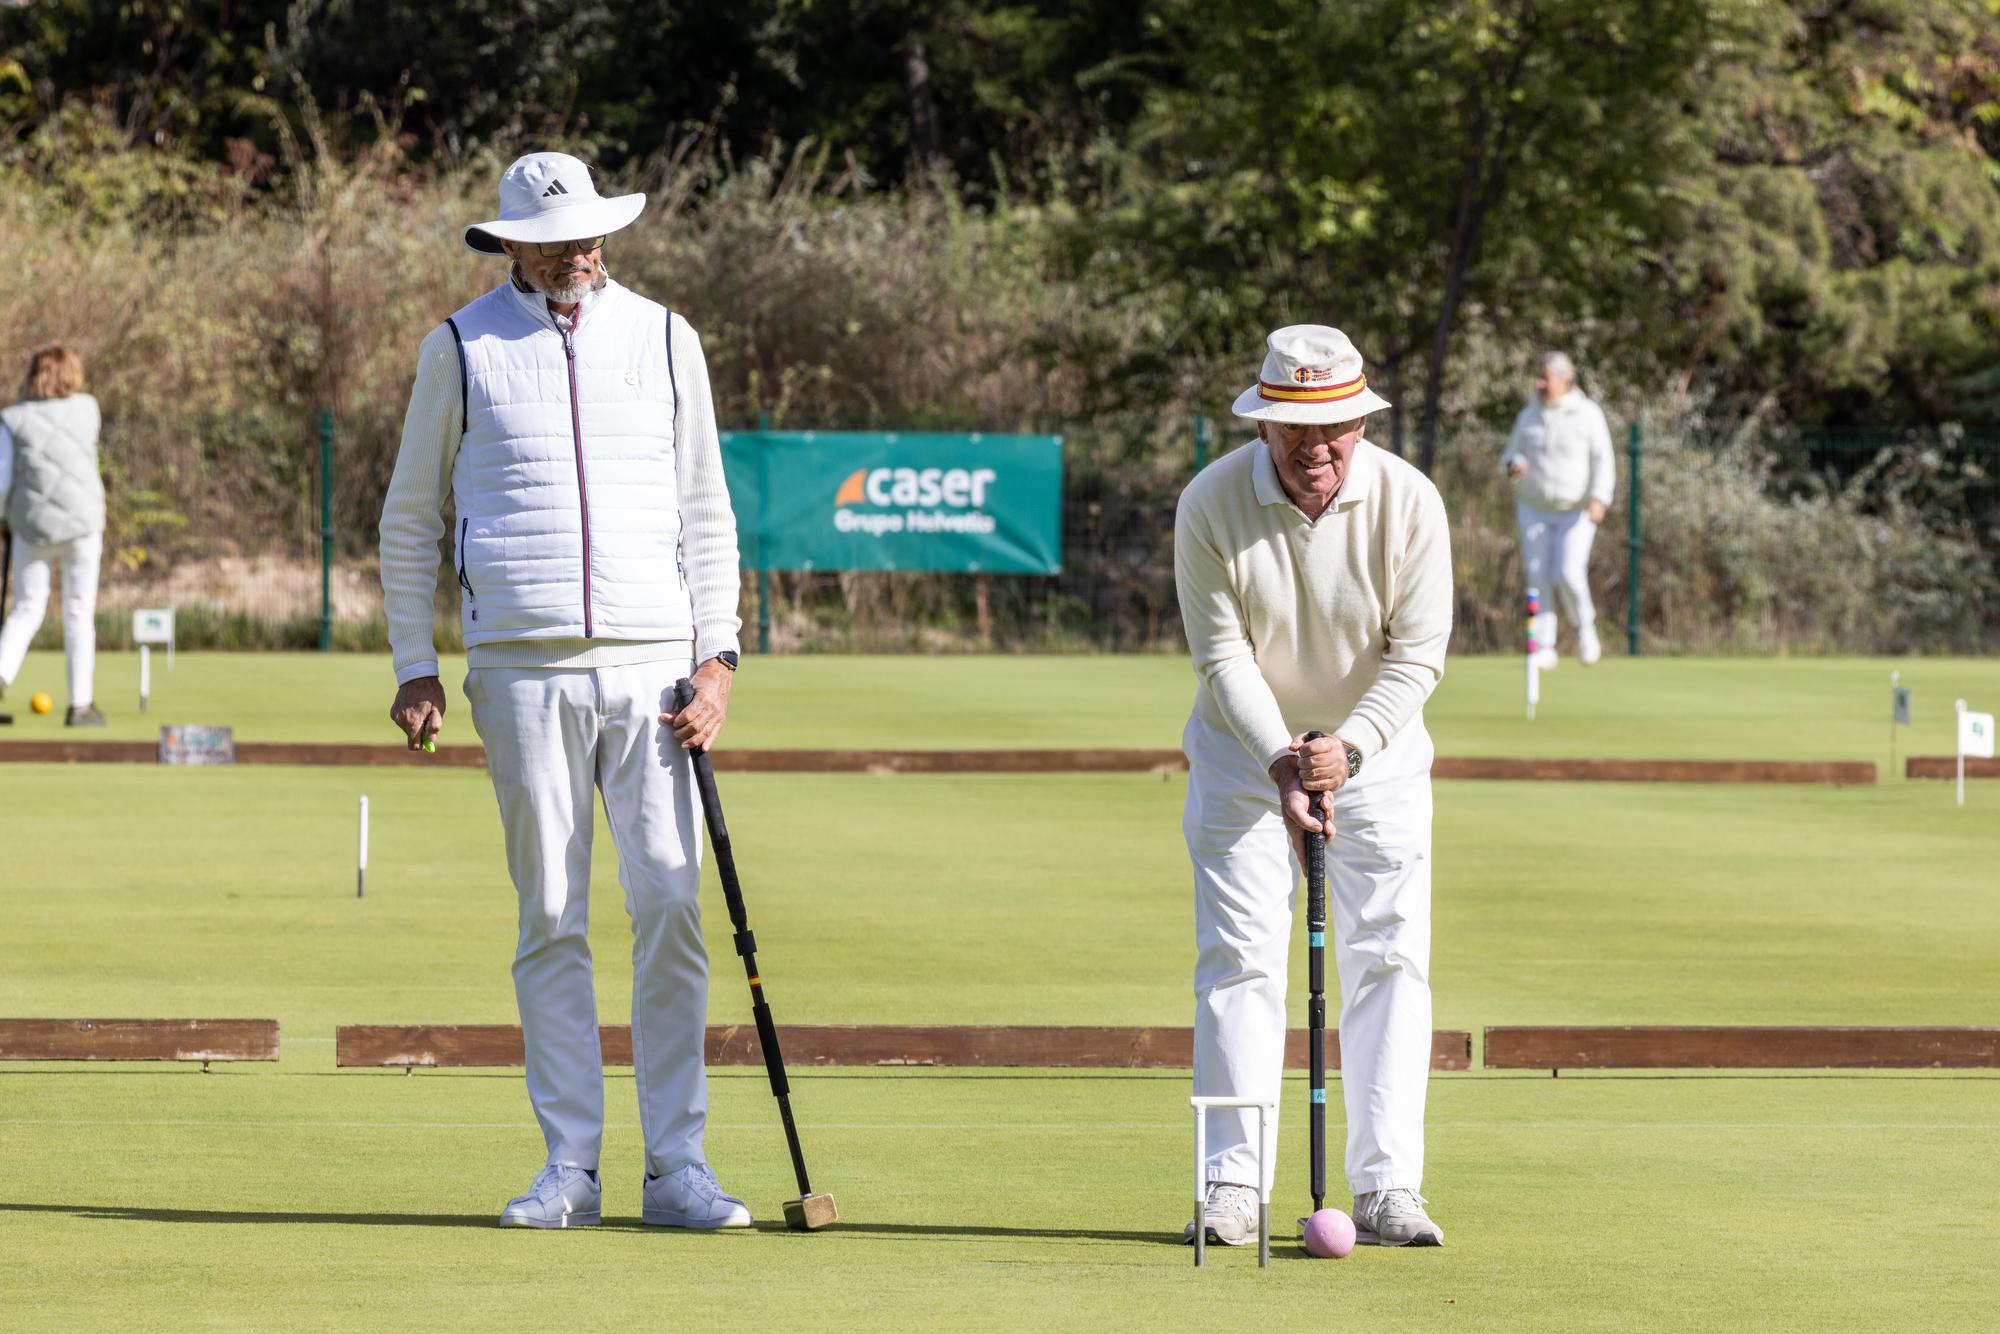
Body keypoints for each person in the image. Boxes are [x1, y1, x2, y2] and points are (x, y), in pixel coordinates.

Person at [379, 152, 747, 1230]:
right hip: (520, 665)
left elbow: (705, 508)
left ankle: (677, 1164)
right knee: (549, 914)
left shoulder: (667, 335)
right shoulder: (456, 346)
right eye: (557, 241)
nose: (580, 255)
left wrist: (718, 656)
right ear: (510, 246)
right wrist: (415, 660)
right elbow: (411, 516)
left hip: (654, 663)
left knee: (672, 904)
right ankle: (570, 1168)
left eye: (591, 237)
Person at [1174, 324, 1452, 1248]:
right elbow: (1222, 655)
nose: (1316, 449)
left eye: (1334, 428)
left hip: (1378, 759)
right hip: (1242, 757)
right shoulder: (1210, 503)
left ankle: (1385, 1188)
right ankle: (1232, 1187)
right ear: (1262, 428)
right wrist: (1285, 761)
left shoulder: (1411, 503)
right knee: (1239, 958)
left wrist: (1350, 749)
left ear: (1362, 426)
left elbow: (1416, 658)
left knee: (1391, 960)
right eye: (1296, 430)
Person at [0, 342, 108, 727]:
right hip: (83, 525)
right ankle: (80, 706)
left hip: (33, 527)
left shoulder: (12, 419)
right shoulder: (88, 408)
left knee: (27, 609)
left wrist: (3, 519)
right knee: (79, 611)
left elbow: (3, 480)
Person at [1502, 352, 1614, 666]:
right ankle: (1545, 644)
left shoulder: (1587, 413)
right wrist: (1512, 465)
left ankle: (1585, 629)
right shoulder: (1529, 413)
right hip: (1533, 507)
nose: (1539, 383)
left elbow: (1602, 458)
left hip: (1575, 509)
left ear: (1565, 379)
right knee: (1537, 574)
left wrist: (1599, 497)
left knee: (1568, 572)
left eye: (1545, 377)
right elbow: (1509, 455)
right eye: (1538, 377)